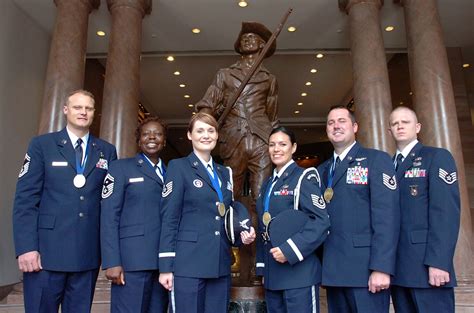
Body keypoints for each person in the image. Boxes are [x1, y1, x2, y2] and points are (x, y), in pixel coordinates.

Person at [12, 90, 117, 313]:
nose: (83, 112)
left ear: (94, 113)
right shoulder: (42, 145)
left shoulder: (106, 151)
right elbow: (25, 200)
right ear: (66, 110)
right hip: (45, 254)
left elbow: (109, 204)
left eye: (88, 108)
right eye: (78, 107)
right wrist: (26, 248)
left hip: (87, 255)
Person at [158, 112, 256, 313]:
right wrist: (166, 266)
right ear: (189, 135)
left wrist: (242, 236)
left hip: (220, 262)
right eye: (200, 130)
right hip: (187, 264)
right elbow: (169, 218)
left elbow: (227, 216)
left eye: (211, 130)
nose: (206, 135)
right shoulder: (179, 167)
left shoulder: (224, 172)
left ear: (217, 135)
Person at [318, 105, 400, 313]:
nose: (336, 126)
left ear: (355, 127)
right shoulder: (322, 170)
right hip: (334, 273)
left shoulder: (376, 159)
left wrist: (381, 267)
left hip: (366, 272)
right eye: (331, 122)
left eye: (342, 121)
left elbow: (387, 217)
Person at [196, 21, 278, 212]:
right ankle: (227, 238)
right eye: (244, 38)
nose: (247, 40)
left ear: (262, 45)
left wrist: (275, 143)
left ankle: (263, 240)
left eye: (253, 38)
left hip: (261, 140)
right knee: (229, 194)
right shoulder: (224, 74)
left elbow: (273, 115)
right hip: (233, 139)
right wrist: (202, 128)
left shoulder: (270, 79)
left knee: (262, 197)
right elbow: (208, 104)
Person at [388, 106, 460, 313]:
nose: (400, 126)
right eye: (395, 123)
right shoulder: (385, 165)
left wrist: (439, 262)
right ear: (389, 131)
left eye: (405, 122)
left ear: (417, 127)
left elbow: (445, 214)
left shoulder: (436, 157)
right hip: (398, 268)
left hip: (428, 266)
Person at [255, 126, 330, 313]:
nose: (276, 149)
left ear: (293, 147)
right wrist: (263, 269)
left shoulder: (304, 178)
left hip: (299, 273)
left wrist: (289, 250)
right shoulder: (267, 185)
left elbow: (321, 222)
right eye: (272, 145)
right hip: (273, 276)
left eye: (282, 144)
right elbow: (264, 227)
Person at [100, 117, 169, 313]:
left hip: (162, 263)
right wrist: (112, 261)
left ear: (164, 140)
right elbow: (109, 216)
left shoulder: (171, 172)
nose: (152, 137)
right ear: (138, 140)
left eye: (158, 133)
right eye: (146, 133)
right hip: (131, 262)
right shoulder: (120, 168)